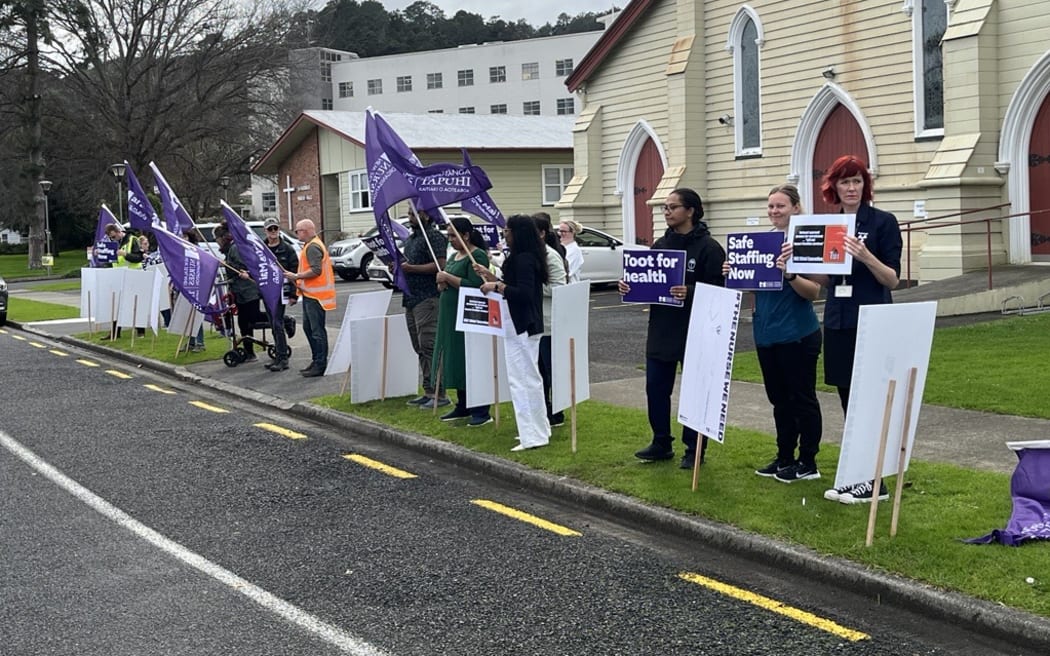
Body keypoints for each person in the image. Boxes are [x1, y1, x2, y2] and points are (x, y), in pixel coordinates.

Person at [808, 155, 902, 504]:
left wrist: (865, 255)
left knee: (872, 402)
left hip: (872, 319)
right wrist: (792, 267)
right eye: (844, 182)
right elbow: (826, 280)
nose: (851, 188)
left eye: (857, 182)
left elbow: (891, 278)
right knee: (848, 398)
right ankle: (855, 475)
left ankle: (877, 482)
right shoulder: (828, 226)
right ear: (833, 187)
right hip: (838, 319)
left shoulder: (882, 223)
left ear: (865, 186)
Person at [619, 188, 725, 470]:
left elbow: (720, 290)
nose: (666, 212)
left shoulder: (709, 248)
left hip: (696, 330)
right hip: (662, 330)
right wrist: (629, 286)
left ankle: (694, 449)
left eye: (672, 207)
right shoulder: (659, 245)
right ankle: (661, 441)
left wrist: (689, 291)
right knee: (655, 387)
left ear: (690, 211)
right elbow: (647, 280)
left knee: (694, 391)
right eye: (664, 207)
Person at [728, 185, 823, 483]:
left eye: (780, 206)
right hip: (766, 334)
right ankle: (784, 457)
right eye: (770, 206)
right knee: (779, 400)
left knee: (802, 399)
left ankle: (808, 461)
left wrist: (790, 273)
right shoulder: (761, 242)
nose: (774, 211)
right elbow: (755, 286)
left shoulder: (803, 240)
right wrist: (736, 271)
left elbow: (814, 291)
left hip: (797, 333)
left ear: (796, 207)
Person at [476, 214, 550, 451]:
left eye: (507, 231)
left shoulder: (525, 259)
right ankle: (538, 429)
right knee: (529, 379)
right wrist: (491, 277)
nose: (504, 234)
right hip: (520, 324)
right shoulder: (523, 258)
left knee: (523, 380)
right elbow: (515, 287)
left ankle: (532, 435)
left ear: (517, 233)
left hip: (523, 325)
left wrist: (496, 286)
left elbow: (524, 294)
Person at [433, 218, 492, 426]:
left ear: (465, 235)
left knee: (470, 359)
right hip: (450, 315)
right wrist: (442, 282)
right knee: (455, 359)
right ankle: (462, 403)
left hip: (469, 315)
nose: (450, 240)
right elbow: (444, 284)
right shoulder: (452, 256)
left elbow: (476, 286)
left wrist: (448, 278)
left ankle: (480, 408)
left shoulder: (477, 256)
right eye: (448, 235)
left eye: (452, 236)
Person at [401, 209, 450, 409]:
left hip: (427, 296)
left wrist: (412, 269)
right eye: (409, 213)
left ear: (426, 216)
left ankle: (440, 392)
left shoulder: (434, 237)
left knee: (429, 343)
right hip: (411, 297)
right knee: (418, 345)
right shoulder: (412, 238)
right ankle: (428, 389)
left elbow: (440, 265)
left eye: (413, 214)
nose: (409, 217)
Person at [284, 219, 335, 378]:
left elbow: (316, 271)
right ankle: (316, 360)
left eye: (298, 230)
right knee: (309, 328)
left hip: (316, 296)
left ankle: (320, 363)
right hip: (310, 294)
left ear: (305, 231)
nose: (296, 233)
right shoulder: (312, 245)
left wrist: (297, 276)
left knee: (317, 330)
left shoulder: (313, 247)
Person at [533, 212, 568, 427]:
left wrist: (533, 288)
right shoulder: (531, 255)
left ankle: (557, 411)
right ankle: (543, 408)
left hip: (549, 323)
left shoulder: (551, 256)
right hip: (534, 322)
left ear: (543, 233)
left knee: (550, 369)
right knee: (538, 370)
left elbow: (558, 287)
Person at [216, 223, 264, 363]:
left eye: (217, 238)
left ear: (223, 237)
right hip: (239, 291)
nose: (216, 241)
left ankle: (284, 320)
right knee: (243, 322)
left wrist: (231, 266)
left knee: (254, 317)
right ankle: (249, 352)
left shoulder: (235, 248)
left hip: (248, 289)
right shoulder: (229, 250)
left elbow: (246, 267)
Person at [263, 217, 298, 372]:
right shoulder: (262, 249)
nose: (273, 232)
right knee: (273, 325)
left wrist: (293, 294)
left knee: (277, 325)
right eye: (270, 229)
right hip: (266, 291)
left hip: (281, 291)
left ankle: (283, 358)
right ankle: (278, 355)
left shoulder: (288, 249)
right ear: (265, 231)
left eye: (275, 229)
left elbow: (294, 272)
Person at [99, 223, 145, 340]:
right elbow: (112, 261)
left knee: (135, 304)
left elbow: (139, 257)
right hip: (119, 276)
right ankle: (115, 332)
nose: (113, 239)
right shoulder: (114, 244)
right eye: (111, 237)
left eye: (114, 236)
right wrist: (102, 255)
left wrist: (125, 254)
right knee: (116, 304)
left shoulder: (132, 240)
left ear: (119, 232)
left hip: (133, 275)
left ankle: (140, 331)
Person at [558, 219, 584, 283]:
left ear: (572, 232)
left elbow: (567, 271)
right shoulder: (558, 246)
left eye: (564, 231)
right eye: (560, 231)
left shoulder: (575, 250)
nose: (561, 233)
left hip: (569, 285)